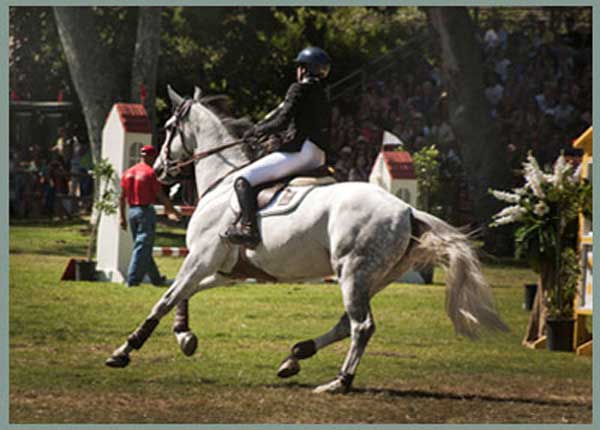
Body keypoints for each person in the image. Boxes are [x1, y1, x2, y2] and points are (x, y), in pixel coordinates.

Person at [222, 46, 333, 248]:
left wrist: (256, 131)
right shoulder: (324, 94)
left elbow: (282, 120)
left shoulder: (298, 88)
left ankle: (248, 228)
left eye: (299, 67)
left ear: (305, 69)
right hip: (318, 155)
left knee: (242, 180)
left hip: (301, 153)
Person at [119, 145, 181, 287]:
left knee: (143, 247)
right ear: (152, 156)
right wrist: (171, 210)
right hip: (145, 212)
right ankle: (132, 280)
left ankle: (156, 279)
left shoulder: (128, 172)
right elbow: (160, 195)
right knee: (141, 248)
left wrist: (121, 217)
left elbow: (121, 197)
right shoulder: (149, 173)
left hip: (131, 212)